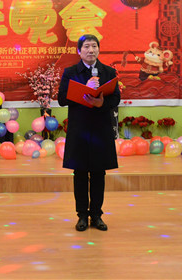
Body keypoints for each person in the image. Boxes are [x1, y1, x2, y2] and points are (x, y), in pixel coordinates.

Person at [57, 34, 121, 232]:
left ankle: (97, 215)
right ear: (79, 51)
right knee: (80, 174)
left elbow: (116, 98)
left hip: (101, 129)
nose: (91, 50)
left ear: (98, 49)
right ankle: (82, 216)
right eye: (86, 46)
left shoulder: (109, 72)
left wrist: (102, 103)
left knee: (99, 173)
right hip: (80, 130)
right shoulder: (70, 72)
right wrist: (84, 89)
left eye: (94, 46)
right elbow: (61, 99)